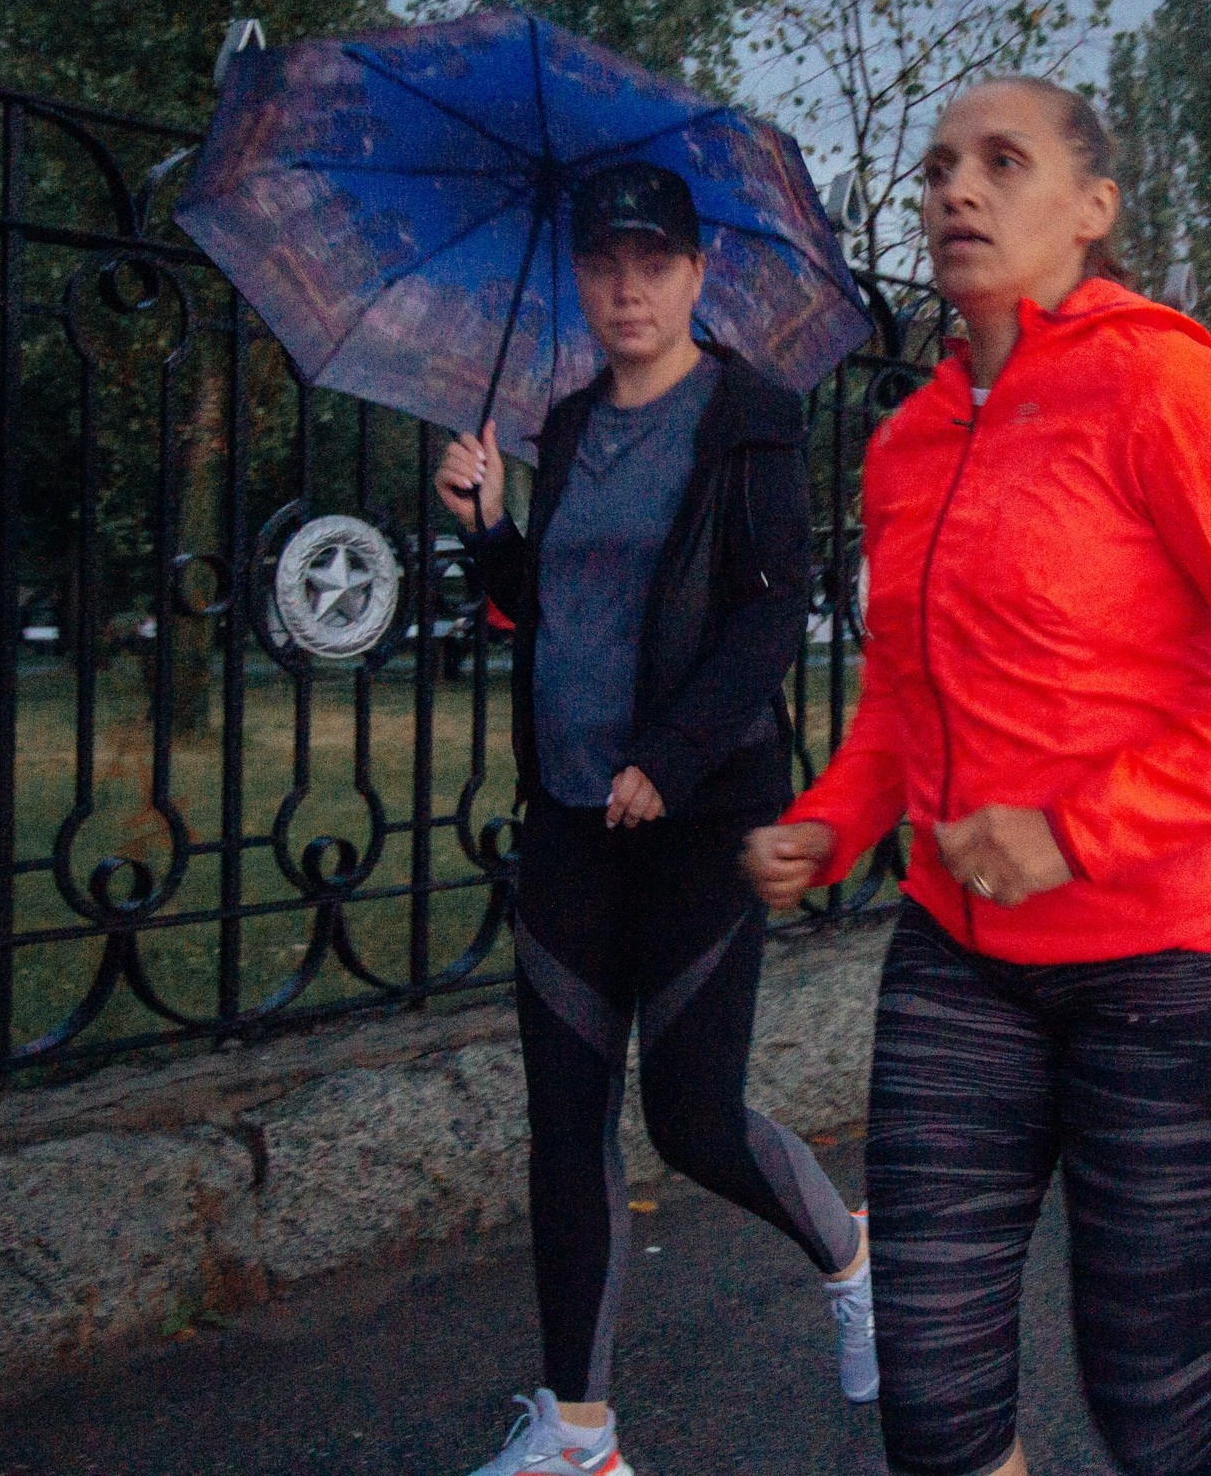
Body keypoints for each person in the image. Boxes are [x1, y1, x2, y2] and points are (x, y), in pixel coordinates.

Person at [745, 77, 1211, 1476]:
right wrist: (832, 819)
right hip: (958, 958)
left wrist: (1077, 830)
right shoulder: (904, 444)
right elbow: (899, 702)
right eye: (940, 167)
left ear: (1094, 211)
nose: (955, 190)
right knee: (933, 1414)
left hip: (1166, 969)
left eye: (1003, 161)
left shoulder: (1162, 384)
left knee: (1164, 1413)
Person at [437, 162, 873, 1476]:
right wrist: (489, 527)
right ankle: (580, 1433)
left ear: (697, 275)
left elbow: (765, 614)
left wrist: (674, 760)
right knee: (565, 1122)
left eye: (654, 262)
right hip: (570, 815)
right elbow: (548, 604)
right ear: (581, 281)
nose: (627, 285)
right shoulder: (566, 426)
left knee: (690, 1118)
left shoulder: (747, 416)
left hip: (696, 817)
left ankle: (855, 1258)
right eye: (604, 264)